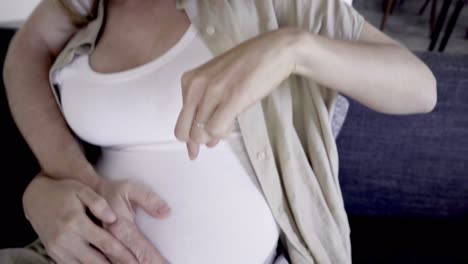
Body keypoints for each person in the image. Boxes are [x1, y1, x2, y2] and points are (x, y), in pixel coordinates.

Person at [1, 0, 437, 263]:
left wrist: (294, 48)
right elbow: (26, 52)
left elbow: (420, 88)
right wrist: (63, 181)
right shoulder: (90, 6)